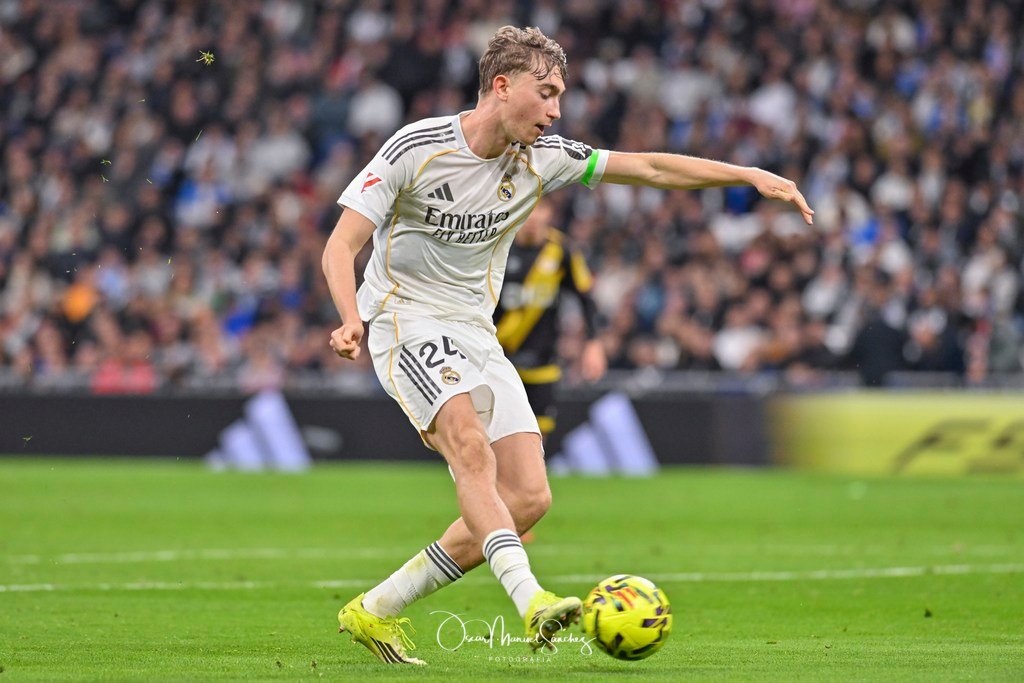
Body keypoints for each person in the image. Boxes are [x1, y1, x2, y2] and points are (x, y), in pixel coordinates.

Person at [322, 25, 813, 665]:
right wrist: (349, 318)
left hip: (474, 328)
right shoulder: (417, 148)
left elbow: (649, 166)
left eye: (560, 96)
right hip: (402, 317)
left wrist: (745, 175)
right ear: (502, 86)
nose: (556, 111)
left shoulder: (544, 157)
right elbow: (341, 244)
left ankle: (375, 609)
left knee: (529, 498)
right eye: (547, 93)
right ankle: (531, 600)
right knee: (469, 446)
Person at [494, 197, 606, 437]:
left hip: (543, 360)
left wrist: (593, 344)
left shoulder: (561, 250)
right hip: (498, 359)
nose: (534, 216)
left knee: (538, 436)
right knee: (495, 433)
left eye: (540, 208)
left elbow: (586, 297)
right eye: (528, 207)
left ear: (550, 213)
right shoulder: (498, 245)